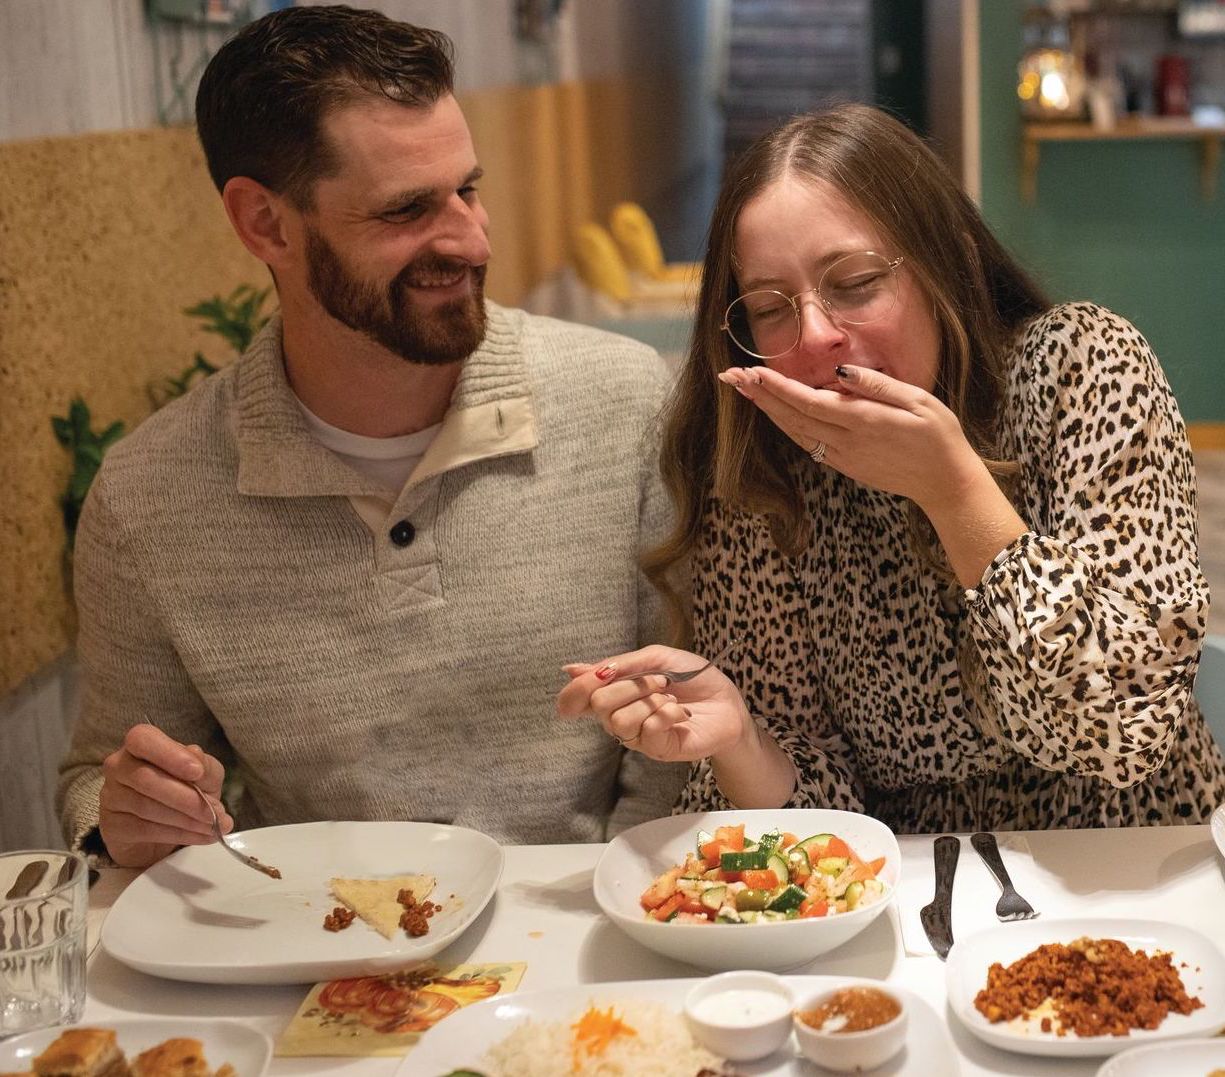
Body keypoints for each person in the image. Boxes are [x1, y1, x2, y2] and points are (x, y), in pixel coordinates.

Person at [57, 4, 684, 867]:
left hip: (589, 933)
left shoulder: (623, 403)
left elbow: (686, 741)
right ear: (265, 225)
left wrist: (617, 909)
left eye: (468, 188)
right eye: (406, 211)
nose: (469, 239)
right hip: (315, 948)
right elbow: (105, 772)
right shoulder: (148, 498)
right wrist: (124, 813)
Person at [559, 104, 1225, 832]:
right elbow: (818, 821)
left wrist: (954, 493)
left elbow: (1120, 735)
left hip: (1134, 856)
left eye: (853, 281)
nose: (815, 335)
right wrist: (741, 741)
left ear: (943, 264)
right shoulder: (761, 458)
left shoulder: (1081, 368)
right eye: (770, 307)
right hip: (904, 881)